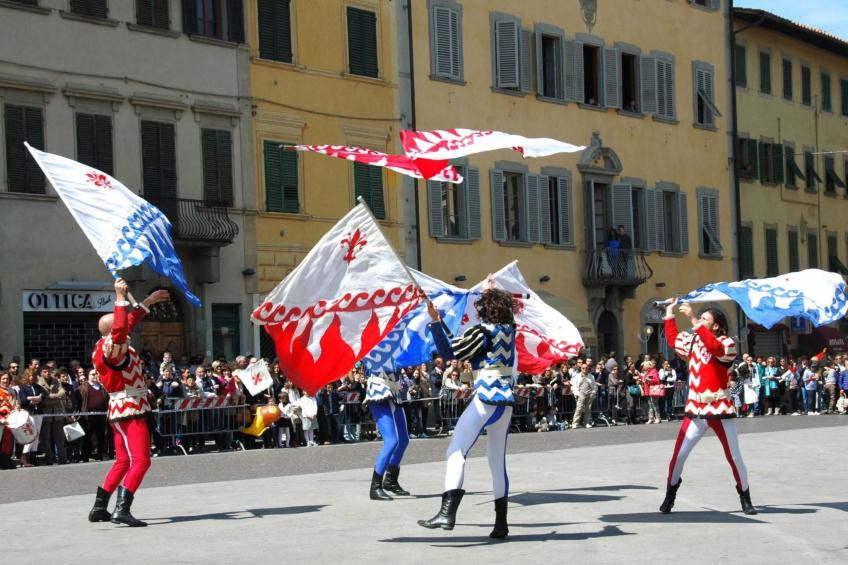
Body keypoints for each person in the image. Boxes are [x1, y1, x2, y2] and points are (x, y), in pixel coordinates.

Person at [420, 275, 517, 539]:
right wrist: (490, 291)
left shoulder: (482, 332)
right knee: (497, 461)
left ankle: (446, 513)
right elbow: (463, 346)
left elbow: (450, 352)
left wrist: (435, 321)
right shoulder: (510, 329)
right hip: (505, 400)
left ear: (484, 309)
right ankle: (501, 524)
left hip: (486, 396)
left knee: (456, 450)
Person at [659, 299, 756, 515]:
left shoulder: (727, 343)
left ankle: (745, 496)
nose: (700, 322)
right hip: (695, 410)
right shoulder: (694, 341)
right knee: (678, 456)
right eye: (700, 319)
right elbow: (673, 339)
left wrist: (693, 319)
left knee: (734, 456)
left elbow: (714, 347)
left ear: (716, 325)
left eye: (705, 319)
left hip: (720, 410)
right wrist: (669, 312)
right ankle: (670, 494)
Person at [88, 279, 169, 527]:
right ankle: (122, 509)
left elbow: (127, 324)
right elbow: (122, 328)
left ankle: (99, 507)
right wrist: (120, 298)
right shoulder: (113, 348)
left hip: (121, 408)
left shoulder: (106, 347)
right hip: (129, 408)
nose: (127, 331)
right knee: (142, 460)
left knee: (123, 460)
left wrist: (146, 303)